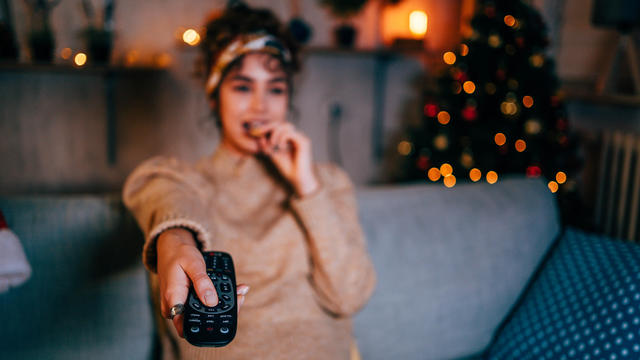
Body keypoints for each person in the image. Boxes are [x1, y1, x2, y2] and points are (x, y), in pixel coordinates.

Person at [122, 3, 376, 359]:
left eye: (275, 89)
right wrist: (177, 239)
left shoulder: (328, 182)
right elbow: (161, 195)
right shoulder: (181, 179)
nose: (261, 106)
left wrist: (307, 187)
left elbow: (350, 294)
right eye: (243, 87)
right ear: (215, 95)